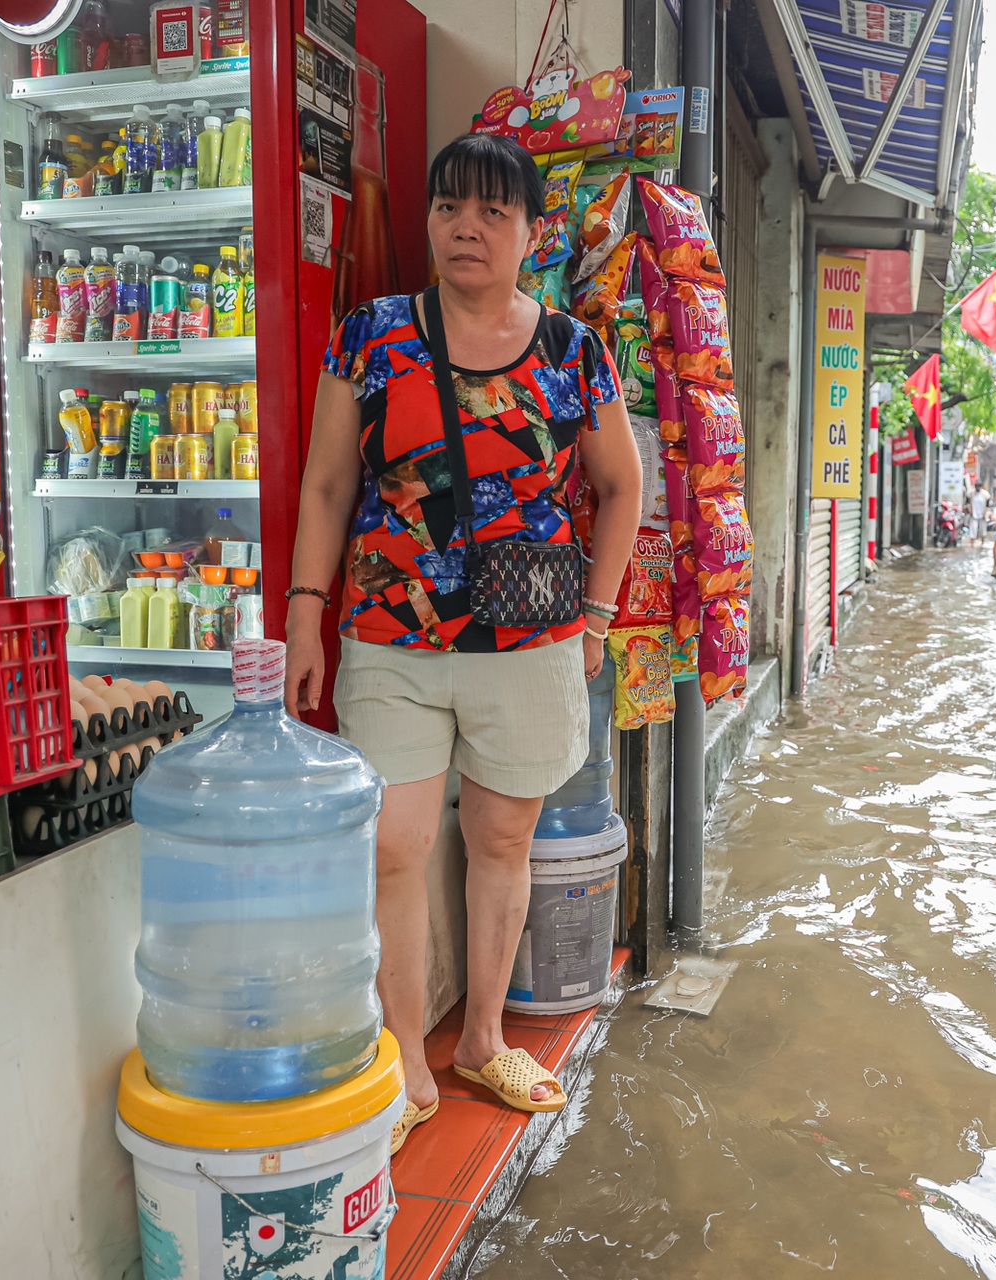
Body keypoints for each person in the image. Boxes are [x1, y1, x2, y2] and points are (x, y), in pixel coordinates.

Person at [284, 133, 644, 1154]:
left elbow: (622, 487)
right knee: (393, 846)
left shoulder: (574, 349)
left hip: (530, 641)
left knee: (501, 840)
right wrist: (305, 610)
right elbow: (327, 484)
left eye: (493, 211)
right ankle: (405, 1057)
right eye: (449, 207)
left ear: (533, 231)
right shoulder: (372, 336)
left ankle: (483, 1038)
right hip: (389, 635)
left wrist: (600, 615)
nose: (466, 228)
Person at [969, 483, 991, 551]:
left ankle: (982, 543)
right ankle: (972, 544)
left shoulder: (985, 494)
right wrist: (970, 510)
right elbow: (967, 503)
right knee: (973, 529)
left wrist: (985, 513)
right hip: (974, 514)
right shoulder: (971, 493)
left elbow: (988, 505)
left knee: (983, 529)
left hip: (982, 514)